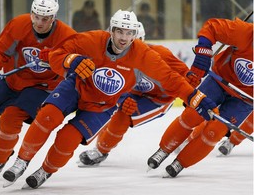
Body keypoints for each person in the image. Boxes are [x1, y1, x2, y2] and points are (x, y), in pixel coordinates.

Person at [2, 9, 218, 189]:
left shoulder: (144, 54)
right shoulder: (91, 40)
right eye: (120, 31)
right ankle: (21, 161)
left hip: (103, 105)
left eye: (129, 33)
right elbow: (57, 54)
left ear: (135, 35)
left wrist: (195, 97)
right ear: (111, 30)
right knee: (47, 117)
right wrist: (71, 61)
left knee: (68, 138)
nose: (124, 38)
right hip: (76, 87)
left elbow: (171, 80)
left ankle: (45, 170)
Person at [0, 0, 77, 180]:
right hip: (12, 80)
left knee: (10, 118)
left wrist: (56, 59)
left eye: (45, 18)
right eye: (36, 16)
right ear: (31, 13)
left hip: (43, 87)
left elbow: (74, 65)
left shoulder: (67, 36)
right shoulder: (19, 24)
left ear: (54, 17)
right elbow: (1, 49)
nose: (40, 22)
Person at [77, 22, 200, 166]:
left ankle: (101, 151)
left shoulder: (161, 54)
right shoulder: (118, 55)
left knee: (124, 115)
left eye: (132, 40)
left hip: (158, 99)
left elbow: (183, 74)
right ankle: (101, 147)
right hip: (134, 93)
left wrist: (190, 78)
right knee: (109, 107)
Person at [146, 17, 253, 178]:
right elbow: (212, 27)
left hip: (244, 99)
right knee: (192, 114)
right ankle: (164, 149)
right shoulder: (245, 32)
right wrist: (204, 52)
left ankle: (181, 163)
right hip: (219, 81)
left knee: (214, 132)